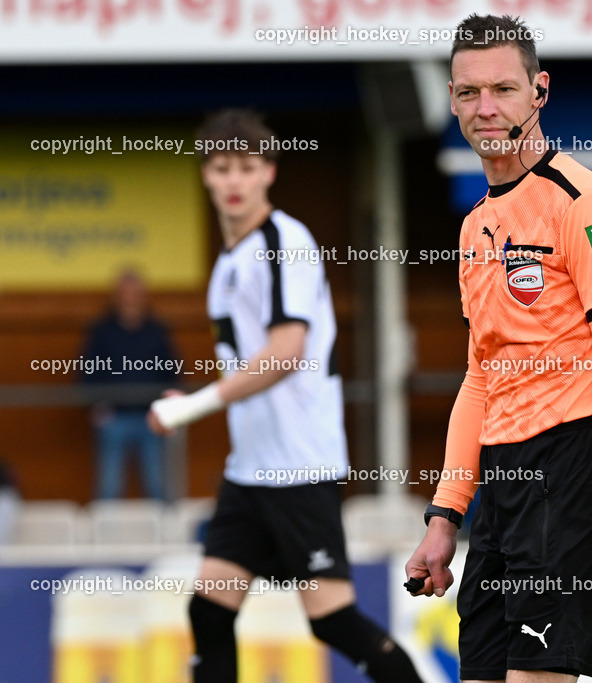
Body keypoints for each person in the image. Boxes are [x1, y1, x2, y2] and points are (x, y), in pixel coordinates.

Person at [404, 14, 592, 683]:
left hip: (575, 466)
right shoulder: (475, 226)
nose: (485, 108)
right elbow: (481, 377)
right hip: (503, 479)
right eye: (467, 93)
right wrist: (444, 514)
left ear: (538, 91)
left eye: (503, 90)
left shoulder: (585, 206)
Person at [147, 109, 422, 683]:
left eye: (247, 167)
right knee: (208, 610)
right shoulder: (229, 260)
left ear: (269, 172)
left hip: (298, 467)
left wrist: (192, 406)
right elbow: (245, 360)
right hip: (250, 471)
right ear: (205, 175)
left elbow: (286, 351)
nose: (234, 181)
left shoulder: (283, 242)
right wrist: (193, 397)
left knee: (332, 620)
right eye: (221, 168)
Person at [82, 269, 178, 500]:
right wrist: (96, 405)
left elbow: (171, 370)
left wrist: (168, 406)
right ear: (117, 295)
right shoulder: (102, 331)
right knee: (109, 487)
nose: (130, 297)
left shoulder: (156, 330)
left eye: (135, 292)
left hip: (150, 416)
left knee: (156, 484)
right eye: (125, 292)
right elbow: (88, 370)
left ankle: (165, 536)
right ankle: (105, 536)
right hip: (114, 417)